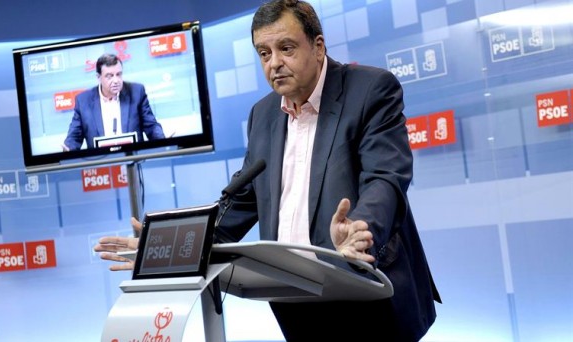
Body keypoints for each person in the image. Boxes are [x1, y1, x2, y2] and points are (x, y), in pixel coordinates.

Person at [94, 1, 441, 340]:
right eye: (264, 53)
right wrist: (163, 250)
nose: (274, 63)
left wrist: (361, 231)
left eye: (286, 48)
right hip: (294, 299)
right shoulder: (263, 115)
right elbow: (240, 203)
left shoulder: (370, 89)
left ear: (318, 47)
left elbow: (385, 177)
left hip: (366, 294)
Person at [62, 53, 165, 151]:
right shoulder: (84, 101)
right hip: (100, 163)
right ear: (98, 78)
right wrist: (68, 149)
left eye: (118, 74)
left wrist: (163, 141)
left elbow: (151, 126)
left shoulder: (136, 92)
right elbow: (74, 136)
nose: (116, 80)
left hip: (133, 160)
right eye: (109, 76)